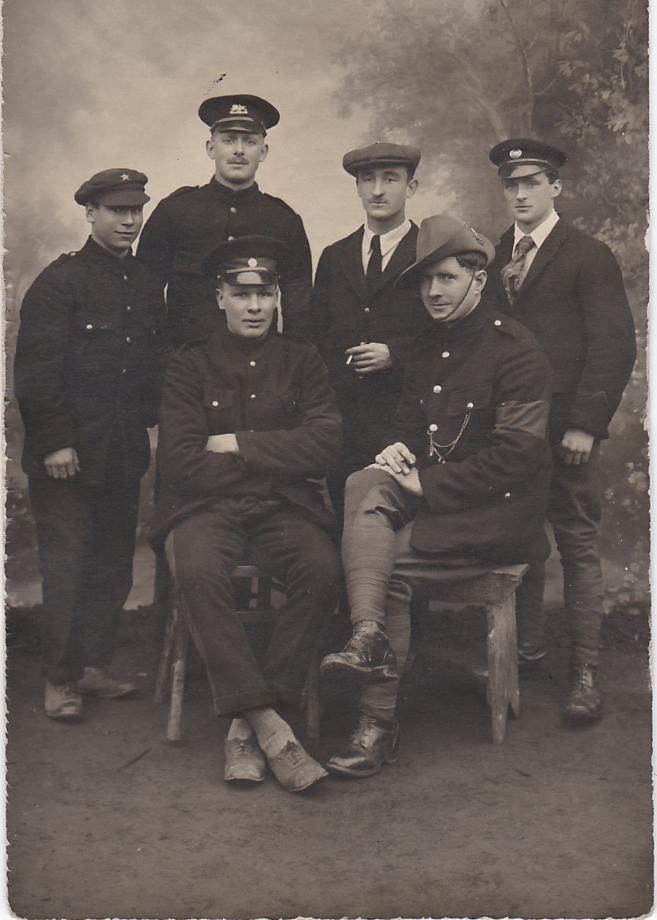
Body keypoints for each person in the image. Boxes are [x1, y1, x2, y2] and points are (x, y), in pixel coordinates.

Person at [321, 214, 552, 777]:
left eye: (446, 278)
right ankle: (371, 635)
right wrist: (396, 450)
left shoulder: (516, 351)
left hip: (497, 513)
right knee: (361, 482)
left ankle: (377, 723)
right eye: (426, 282)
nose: (433, 292)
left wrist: (426, 481)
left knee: (386, 566)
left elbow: (518, 459)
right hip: (438, 500)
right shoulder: (427, 348)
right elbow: (404, 421)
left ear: (478, 278)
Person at [153, 235, 342, 793]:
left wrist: (236, 442)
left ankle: (248, 720)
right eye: (242, 293)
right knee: (199, 570)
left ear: (278, 296)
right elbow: (182, 463)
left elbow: (327, 444)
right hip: (203, 506)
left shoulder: (302, 359)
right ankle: (271, 728)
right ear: (220, 298)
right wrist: (279, 454)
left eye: (265, 293)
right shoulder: (189, 364)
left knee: (321, 568)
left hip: (285, 506)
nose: (255, 306)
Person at [486, 138, 636, 723]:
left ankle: (585, 673)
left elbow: (613, 344)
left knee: (574, 542)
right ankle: (524, 656)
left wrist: (585, 426)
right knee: (520, 537)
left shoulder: (587, 255)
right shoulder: (498, 254)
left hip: (566, 428)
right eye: (512, 184)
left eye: (532, 183)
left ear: (555, 188)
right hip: (513, 429)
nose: (521, 194)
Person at [14, 169, 166, 722]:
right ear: (90, 214)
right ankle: (60, 680)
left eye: (135, 211)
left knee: (112, 566)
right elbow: (34, 372)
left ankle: (94, 667)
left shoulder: (147, 283)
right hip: (67, 456)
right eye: (116, 211)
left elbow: (148, 365)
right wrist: (55, 442)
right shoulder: (60, 283)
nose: (129, 221)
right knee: (68, 566)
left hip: (121, 451)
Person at [137, 92, 313, 347]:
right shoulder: (175, 212)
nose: (239, 151)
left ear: (263, 151)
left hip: (259, 367)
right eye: (229, 140)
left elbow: (299, 308)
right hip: (185, 366)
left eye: (249, 142)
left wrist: (292, 365)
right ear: (211, 148)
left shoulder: (283, 220)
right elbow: (144, 294)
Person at [311, 142, 426, 519]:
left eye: (390, 179)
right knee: (346, 521)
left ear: (411, 187)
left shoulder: (431, 254)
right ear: (358, 187)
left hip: (410, 419)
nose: (378, 191)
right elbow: (317, 335)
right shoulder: (334, 256)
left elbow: (456, 338)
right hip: (344, 423)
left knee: (399, 524)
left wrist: (396, 353)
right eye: (368, 180)